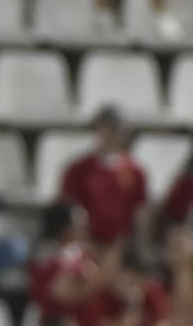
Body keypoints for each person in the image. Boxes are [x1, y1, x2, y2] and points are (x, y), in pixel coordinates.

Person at [58, 107, 147, 249]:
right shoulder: (78, 170)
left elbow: (140, 215)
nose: (112, 133)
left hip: (123, 250)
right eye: (108, 127)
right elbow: (68, 214)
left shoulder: (136, 172)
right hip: (86, 248)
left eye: (116, 127)